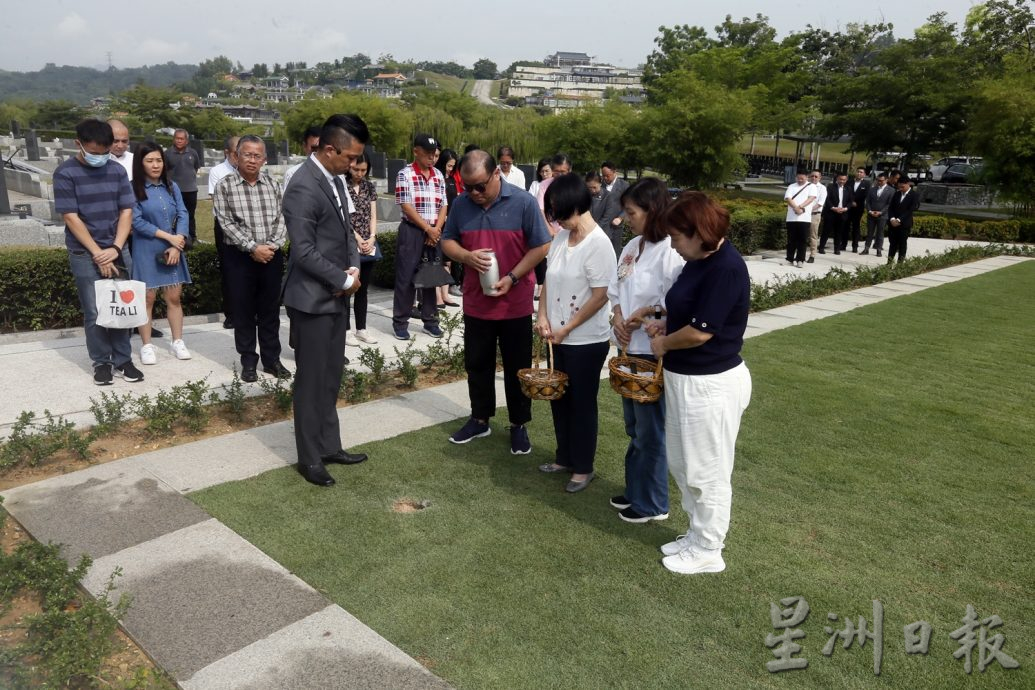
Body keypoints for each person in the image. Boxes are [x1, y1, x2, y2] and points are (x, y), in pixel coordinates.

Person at [645, 191, 751, 575]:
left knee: (707, 469)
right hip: (686, 379)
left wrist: (663, 342)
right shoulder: (698, 260)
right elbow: (688, 314)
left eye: (676, 237)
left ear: (698, 232)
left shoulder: (726, 267)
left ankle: (709, 548)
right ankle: (696, 532)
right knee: (684, 463)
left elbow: (701, 332)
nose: (673, 245)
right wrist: (666, 323)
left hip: (711, 384)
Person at [441, 149, 552, 454]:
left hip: (514, 304)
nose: (474, 193)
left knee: (518, 367)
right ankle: (480, 419)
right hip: (477, 303)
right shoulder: (461, 204)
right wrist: (466, 256)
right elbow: (447, 240)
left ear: (496, 174)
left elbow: (541, 246)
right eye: (468, 186)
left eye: (480, 186)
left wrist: (514, 277)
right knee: (477, 365)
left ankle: (519, 425)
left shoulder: (524, 202)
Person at [281, 114, 371, 487]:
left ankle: (329, 445)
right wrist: (341, 279)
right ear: (329, 148)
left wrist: (353, 269)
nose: (354, 165)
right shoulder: (303, 185)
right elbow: (302, 250)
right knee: (311, 380)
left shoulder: (334, 180)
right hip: (312, 300)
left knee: (331, 376)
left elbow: (347, 232)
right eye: (350, 157)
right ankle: (309, 457)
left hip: (336, 295)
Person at [535, 173, 617, 492]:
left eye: (561, 212)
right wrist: (542, 317)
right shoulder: (559, 238)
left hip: (585, 341)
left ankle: (583, 467)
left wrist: (567, 327)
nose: (558, 219)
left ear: (579, 205)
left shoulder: (599, 245)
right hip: (557, 338)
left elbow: (600, 296)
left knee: (582, 403)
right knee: (559, 399)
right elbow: (548, 282)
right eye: (554, 212)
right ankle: (564, 457)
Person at [607, 177, 683, 523]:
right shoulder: (633, 246)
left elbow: (675, 302)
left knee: (651, 429)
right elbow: (616, 289)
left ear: (653, 210)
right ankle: (636, 489)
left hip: (652, 351)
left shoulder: (671, 250)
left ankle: (653, 502)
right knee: (634, 426)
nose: (629, 217)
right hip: (628, 348)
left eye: (633, 211)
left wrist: (643, 315)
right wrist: (620, 316)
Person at [53, 119, 144, 386]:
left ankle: (123, 360)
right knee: (95, 311)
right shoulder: (65, 173)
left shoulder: (115, 170)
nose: (100, 157)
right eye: (94, 152)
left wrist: (115, 248)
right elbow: (71, 217)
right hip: (84, 252)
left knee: (122, 306)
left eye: (105, 152)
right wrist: (98, 253)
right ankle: (102, 362)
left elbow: (126, 210)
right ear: (78, 144)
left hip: (117, 248)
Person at [213, 134, 289, 383]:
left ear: (264, 159)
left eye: (257, 156)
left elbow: (282, 220)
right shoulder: (225, 185)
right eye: (247, 154)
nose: (252, 160)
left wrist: (271, 246)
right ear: (236, 156)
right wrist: (252, 247)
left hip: (271, 256)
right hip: (240, 258)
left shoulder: (274, 185)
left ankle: (271, 360)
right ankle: (248, 361)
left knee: (270, 311)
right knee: (243, 311)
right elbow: (225, 222)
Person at [129, 142, 193, 365]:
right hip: (146, 247)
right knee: (147, 298)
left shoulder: (171, 186)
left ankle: (177, 341)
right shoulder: (133, 188)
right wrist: (168, 237)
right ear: (140, 163)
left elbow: (183, 213)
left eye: (159, 160)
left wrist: (178, 243)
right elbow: (136, 221)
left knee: (174, 297)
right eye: (149, 161)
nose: (155, 165)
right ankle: (146, 345)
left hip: (173, 247)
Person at [392, 133, 447, 341]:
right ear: (416, 152)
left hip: (434, 231)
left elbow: (444, 205)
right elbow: (406, 206)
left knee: (431, 277)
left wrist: (436, 229)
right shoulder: (405, 174)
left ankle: (431, 321)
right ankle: (400, 322)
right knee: (406, 277)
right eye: (427, 154)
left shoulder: (438, 175)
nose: (432, 159)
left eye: (434, 155)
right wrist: (427, 229)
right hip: (412, 231)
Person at [345, 150, 380, 346]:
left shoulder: (369, 187)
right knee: (349, 287)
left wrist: (372, 237)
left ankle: (362, 329)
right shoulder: (342, 185)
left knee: (363, 290)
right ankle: (346, 330)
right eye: (356, 169)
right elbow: (345, 218)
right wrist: (357, 238)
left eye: (363, 170)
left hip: (368, 243)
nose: (359, 173)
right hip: (349, 243)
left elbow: (373, 215)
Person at [208, 135, 240, 329]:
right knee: (229, 270)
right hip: (225, 225)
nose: (241, 157)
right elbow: (217, 201)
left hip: (247, 225)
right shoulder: (217, 171)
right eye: (237, 153)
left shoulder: (250, 170)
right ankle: (231, 313)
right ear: (227, 153)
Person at [433, 149, 461, 308]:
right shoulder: (436, 177)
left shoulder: (451, 179)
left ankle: (445, 294)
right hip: (438, 223)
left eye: (453, 166)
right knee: (437, 260)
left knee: (448, 261)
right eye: (449, 165)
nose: (450, 169)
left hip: (450, 223)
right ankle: (437, 296)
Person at [163, 129, 201, 245]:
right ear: (173, 139)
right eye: (177, 138)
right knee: (174, 215)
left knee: (190, 215)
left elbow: (196, 168)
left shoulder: (193, 153)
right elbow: (164, 171)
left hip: (191, 190)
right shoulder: (167, 153)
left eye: (182, 139)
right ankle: (174, 237)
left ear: (186, 140)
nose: (179, 141)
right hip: (174, 191)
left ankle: (192, 238)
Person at [783, 170, 816, 268]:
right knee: (791, 239)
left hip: (804, 218)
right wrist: (795, 208)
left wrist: (801, 207)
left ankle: (800, 259)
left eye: (802, 178)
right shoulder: (791, 186)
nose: (800, 180)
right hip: (791, 218)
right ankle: (789, 258)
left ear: (807, 177)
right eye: (798, 178)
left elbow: (811, 198)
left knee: (802, 240)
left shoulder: (811, 186)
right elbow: (788, 198)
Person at [586, 170, 622, 255]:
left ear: (600, 183)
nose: (592, 190)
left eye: (594, 187)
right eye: (589, 188)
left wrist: (593, 229)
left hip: (602, 233)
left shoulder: (608, 196)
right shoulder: (584, 194)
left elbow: (607, 217)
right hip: (586, 232)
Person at [886, 177, 920, 264]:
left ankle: (900, 264)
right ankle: (889, 263)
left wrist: (899, 220)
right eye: (899, 187)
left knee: (902, 244)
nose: (901, 189)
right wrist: (892, 219)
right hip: (893, 224)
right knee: (892, 244)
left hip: (904, 224)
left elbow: (910, 209)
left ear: (908, 184)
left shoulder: (914, 195)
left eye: (902, 187)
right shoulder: (897, 194)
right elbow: (891, 208)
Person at [600, 161, 629, 254]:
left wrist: (620, 217)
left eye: (607, 175)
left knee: (615, 252)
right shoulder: (600, 185)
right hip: (602, 224)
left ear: (614, 172)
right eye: (603, 175)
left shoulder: (624, 185)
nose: (605, 178)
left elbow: (628, 204)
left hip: (616, 225)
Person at [820, 172, 850, 255]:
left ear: (846, 180)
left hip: (842, 213)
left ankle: (837, 249)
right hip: (831, 213)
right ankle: (821, 247)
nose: (842, 181)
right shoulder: (830, 187)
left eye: (844, 180)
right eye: (840, 179)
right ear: (837, 179)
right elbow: (827, 199)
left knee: (839, 232)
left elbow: (850, 201)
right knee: (826, 231)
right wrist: (833, 208)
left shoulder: (848, 188)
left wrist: (845, 209)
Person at [862, 173, 892, 257]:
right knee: (869, 233)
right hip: (871, 215)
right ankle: (866, 248)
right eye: (878, 180)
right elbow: (867, 202)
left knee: (880, 233)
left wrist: (881, 212)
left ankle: (879, 250)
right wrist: (870, 211)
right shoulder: (872, 189)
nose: (879, 182)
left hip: (882, 216)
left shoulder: (891, 190)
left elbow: (889, 204)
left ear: (886, 180)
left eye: (881, 181)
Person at [847, 167, 871, 252]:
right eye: (858, 172)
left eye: (861, 172)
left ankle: (855, 246)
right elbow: (846, 193)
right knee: (845, 226)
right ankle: (843, 244)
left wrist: (856, 202)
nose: (859, 173)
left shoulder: (867, 184)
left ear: (864, 174)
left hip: (858, 208)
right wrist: (851, 202)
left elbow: (866, 195)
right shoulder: (849, 182)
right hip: (848, 207)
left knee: (856, 227)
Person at [806, 170, 826, 264]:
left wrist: (808, 210)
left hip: (814, 214)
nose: (814, 178)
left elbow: (820, 203)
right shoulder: (806, 186)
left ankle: (812, 255)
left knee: (813, 236)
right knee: (801, 234)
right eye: (812, 176)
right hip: (803, 214)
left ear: (820, 178)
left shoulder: (822, 188)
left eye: (816, 176)